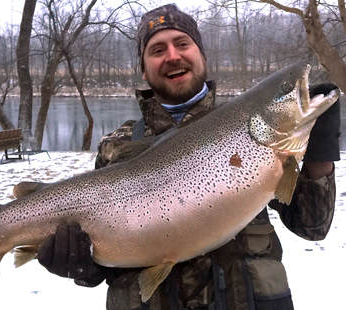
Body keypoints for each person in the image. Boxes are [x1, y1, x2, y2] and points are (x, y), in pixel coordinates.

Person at [37, 4, 341, 310]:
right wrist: (80, 263)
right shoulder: (116, 147)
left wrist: (320, 152)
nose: (172, 56)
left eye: (183, 44)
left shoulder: (247, 131)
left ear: (201, 56)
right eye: (157, 49)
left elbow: (313, 226)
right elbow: (101, 264)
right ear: (144, 69)